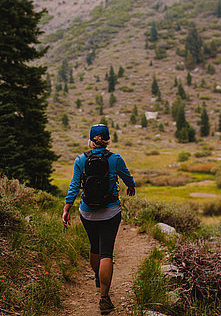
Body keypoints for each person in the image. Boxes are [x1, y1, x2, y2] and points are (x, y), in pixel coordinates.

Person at [62, 124, 136, 315]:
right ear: (108, 140)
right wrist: (131, 186)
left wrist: (66, 208)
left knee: (94, 247)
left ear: (90, 140)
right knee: (106, 252)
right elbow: (127, 177)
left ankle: (97, 276)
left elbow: (74, 186)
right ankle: (104, 298)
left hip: (87, 212)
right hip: (110, 212)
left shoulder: (80, 159)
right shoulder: (115, 159)